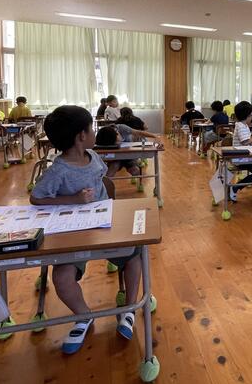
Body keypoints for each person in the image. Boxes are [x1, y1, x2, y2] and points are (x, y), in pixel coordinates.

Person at [30, 106, 143, 353]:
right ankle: (84, 315)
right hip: (73, 232)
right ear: (82, 135)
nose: (94, 132)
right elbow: (36, 198)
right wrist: (72, 199)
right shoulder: (58, 170)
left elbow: (103, 179)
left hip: (104, 224)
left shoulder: (93, 156)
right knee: (61, 277)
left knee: (135, 255)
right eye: (91, 128)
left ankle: (129, 308)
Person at [95, 123, 161, 195]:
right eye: (116, 142)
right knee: (112, 169)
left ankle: (143, 182)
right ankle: (102, 191)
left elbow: (138, 132)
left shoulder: (122, 128)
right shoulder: (105, 134)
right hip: (116, 158)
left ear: (117, 133)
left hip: (128, 155)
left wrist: (155, 136)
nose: (119, 142)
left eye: (117, 140)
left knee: (135, 171)